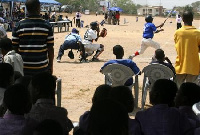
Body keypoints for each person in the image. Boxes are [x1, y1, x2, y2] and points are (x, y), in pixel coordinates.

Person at [12, 0, 54, 76]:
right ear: (39, 8)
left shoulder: (18, 25)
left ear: (27, 9)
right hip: (41, 67)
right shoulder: (47, 25)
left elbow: (15, 48)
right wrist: (50, 65)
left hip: (23, 67)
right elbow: (50, 48)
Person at [174, 11, 200, 88]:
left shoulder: (178, 33)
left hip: (180, 65)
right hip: (194, 66)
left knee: (179, 90)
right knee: (191, 90)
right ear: (192, 19)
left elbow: (178, 46)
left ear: (182, 19)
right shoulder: (197, 33)